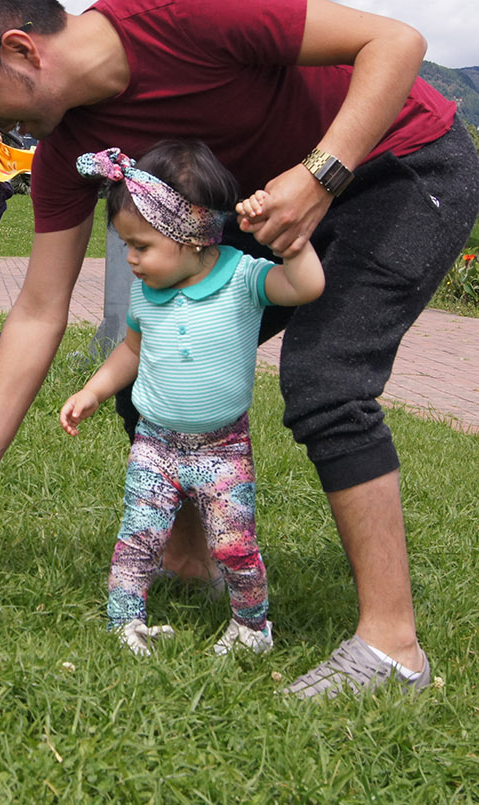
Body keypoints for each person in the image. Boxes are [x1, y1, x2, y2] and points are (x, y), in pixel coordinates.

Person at [0, 0, 479, 698]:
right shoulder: (68, 152)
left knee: (325, 379)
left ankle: (393, 647)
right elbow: (41, 306)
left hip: (399, 163)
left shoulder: (181, 7)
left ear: (19, 50)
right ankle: (188, 562)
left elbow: (395, 43)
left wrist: (317, 178)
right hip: (279, 212)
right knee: (148, 356)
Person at [60, 141, 324, 658]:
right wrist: (94, 389)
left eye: (141, 246)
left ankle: (252, 630)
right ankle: (125, 621)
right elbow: (132, 349)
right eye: (125, 245)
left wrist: (290, 241)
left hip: (222, 449)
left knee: (235, 547)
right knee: (138, 536)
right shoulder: (145, 293)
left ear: (193, 236)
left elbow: (308, 286)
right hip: (154, 441)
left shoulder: (244, 278)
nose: (130, 259)